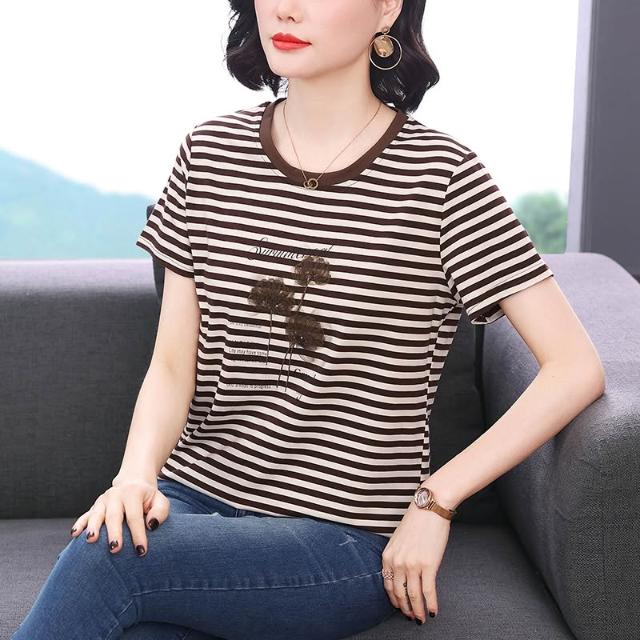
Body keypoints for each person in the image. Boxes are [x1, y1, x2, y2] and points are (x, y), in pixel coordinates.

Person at [12, 1, 606, 639]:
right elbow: (173, 364)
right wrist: (134, 478)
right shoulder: (208, 153)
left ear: (387, 8)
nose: (286, 9)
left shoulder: (442, 178)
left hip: (340, 537)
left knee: (107, 562)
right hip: (191, 499)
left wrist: (436, 500)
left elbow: (574, 367)